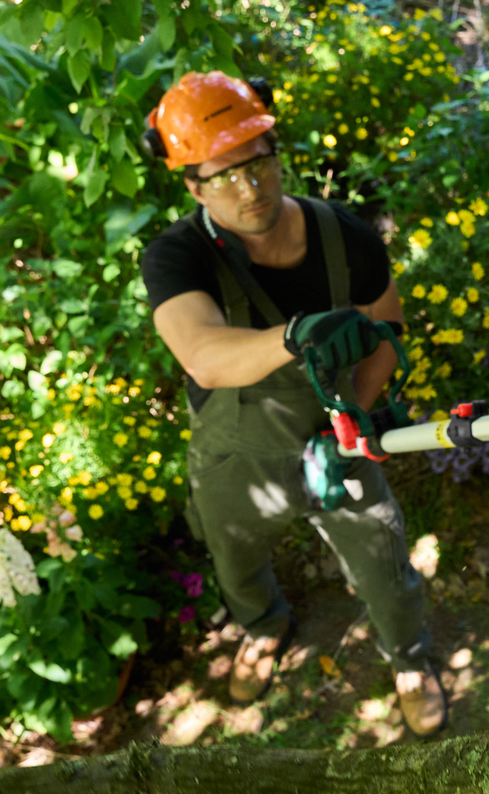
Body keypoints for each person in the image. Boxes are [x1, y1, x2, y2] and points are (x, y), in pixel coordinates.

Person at [139, 71, 447, 737]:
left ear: (277, 151)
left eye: (258, 163)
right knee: (234, 554)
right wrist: (293, 336)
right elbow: (202, 354)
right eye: (223, 176)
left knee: (383, 558)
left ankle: (409, 659)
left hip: (336, 437)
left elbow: (387, 329)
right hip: (235, 453)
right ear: (190, 184)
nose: (248, 189)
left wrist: (355, 418)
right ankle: (263, 627)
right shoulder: (176, 258)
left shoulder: (345, 236)